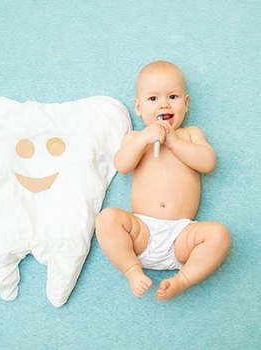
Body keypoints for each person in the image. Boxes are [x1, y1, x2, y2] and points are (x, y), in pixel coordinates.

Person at [96, 61, 231, 300]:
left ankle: (182, 280)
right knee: (107, 219)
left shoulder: (190, 134)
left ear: (186, 103)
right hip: (142, 232)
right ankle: (131, 269)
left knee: (219, 235)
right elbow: (122, 165)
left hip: (182, 237)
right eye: (153, 99)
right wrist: (143, 140)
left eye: (173, 96)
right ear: (138, 108)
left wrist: (175, 142)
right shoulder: (136, 137)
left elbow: (207, 163)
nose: (164, 104)